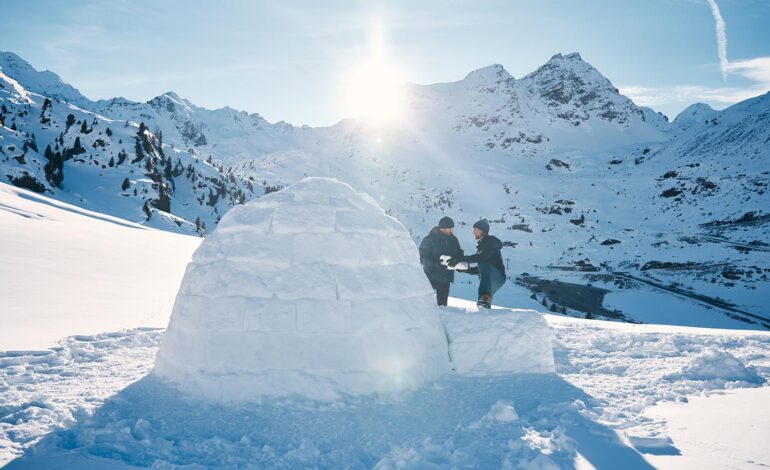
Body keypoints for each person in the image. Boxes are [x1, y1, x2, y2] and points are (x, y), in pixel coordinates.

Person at [447, 218, 505, 309]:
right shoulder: (482, 245)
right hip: (491, 275)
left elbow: (481, 257)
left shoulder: (491, 242)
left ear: (482, 230)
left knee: (483, 263)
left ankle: (484, 300)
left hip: (497, 275)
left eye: (475, 229)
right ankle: (484, 305)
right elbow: (481, 269)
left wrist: (459, 258)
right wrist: (465, 269)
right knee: (483, 267)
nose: (473, 231)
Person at [418, 216, 464, 306]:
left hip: (445, 278)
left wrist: (457, 261)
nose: (451, 230)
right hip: (430, 276)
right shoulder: (430, 239)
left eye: (451, 228)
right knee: (425, 304)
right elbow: (423, 257)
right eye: (449, 228)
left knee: (442, 306)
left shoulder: (454, 240)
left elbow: (458, 254)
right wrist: (435, 264)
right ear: (442, 228)